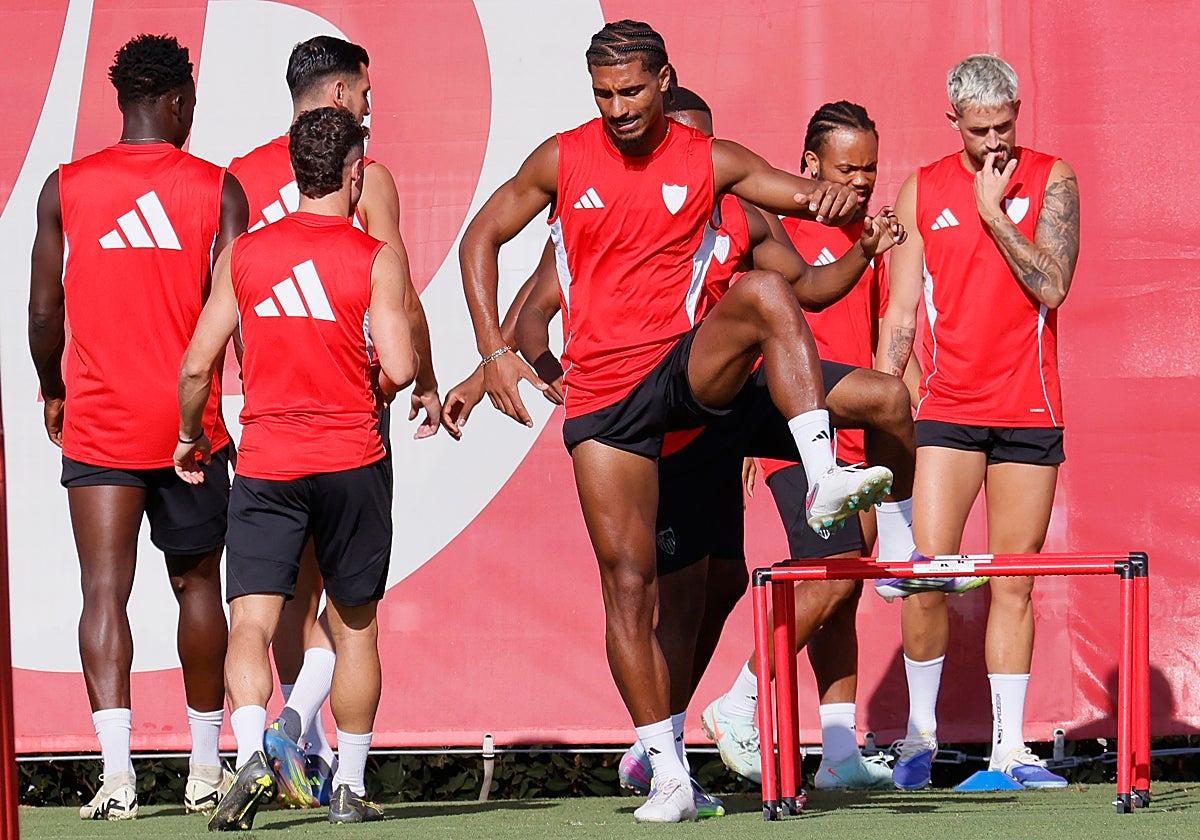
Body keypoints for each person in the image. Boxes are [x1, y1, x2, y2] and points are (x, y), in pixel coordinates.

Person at [461, 20, 894, 823]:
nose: (619, 108)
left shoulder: (709, 162)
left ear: (665, 79)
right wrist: (493, 352)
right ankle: (666, 772)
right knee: (629, 589)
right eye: (604, 94)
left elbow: (799, 198)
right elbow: (481, 236)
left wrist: (840, 205)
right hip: (604, 398)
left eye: (631, 90)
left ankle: (823, 473)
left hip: (681, 369)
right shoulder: (563, 158)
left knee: (765, 297)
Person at [28, 33, 247, 820]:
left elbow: (43, 311)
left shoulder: (66, 186)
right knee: (198, 588)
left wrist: (52, 389)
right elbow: (239, 316)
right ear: (181, 100)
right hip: (191, 429)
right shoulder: (219, 189)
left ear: (123, 100)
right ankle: (201, 768)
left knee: (103, 591)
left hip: (100, 421)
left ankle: (117, 776)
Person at [177, 106, 415, 829]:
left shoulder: (244, 254)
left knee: (248, 620)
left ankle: (250, 754)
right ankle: (348, 785)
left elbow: (196, 365)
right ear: (352, 174)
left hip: (269, 462)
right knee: (355, 628)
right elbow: (401, 367)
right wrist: (367, 376)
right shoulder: (375, 255)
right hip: (352, 461)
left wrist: (189, 433)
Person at [227, 35, 439, 808]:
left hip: (269, 418)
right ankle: (316, 752)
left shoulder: (241, 177)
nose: (373, 112)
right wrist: (424, 381)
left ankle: (292, 754)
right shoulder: (366, 174)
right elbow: (399, 291)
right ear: (342, 97)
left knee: (273, 599)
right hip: (349, 420)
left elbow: (224, 299)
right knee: (350, 611)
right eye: (369, 98)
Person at [875, 54, 1080, 790]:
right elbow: (899, 314)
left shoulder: (1053, 176)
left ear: (1018, 111)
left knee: (1012, 584)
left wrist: (995, 214)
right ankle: (918, 743)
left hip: (1029, 408)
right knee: (928, 577)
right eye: (980, 129)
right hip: (949, 411)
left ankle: (1007, 752)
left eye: (1005, 126)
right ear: (952, 119)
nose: (995, 143)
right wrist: (880, 413)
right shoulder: (922, 188)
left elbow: (1053, 284)